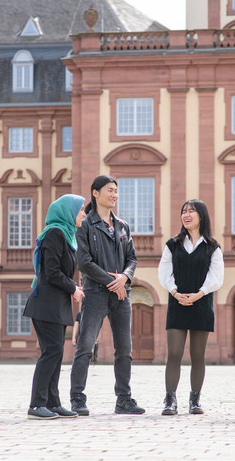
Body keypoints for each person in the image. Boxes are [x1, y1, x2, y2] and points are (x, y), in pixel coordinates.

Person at [70, 175, 144, 416]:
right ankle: (77, 399)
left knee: (124, 349)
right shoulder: (85, 225)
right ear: (95, 193)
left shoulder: (122, 225)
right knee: (85, 347)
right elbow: (84, 262)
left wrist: (125, 277)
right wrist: (114, 281)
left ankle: (124, 399)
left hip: (122, 294)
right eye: (109, 190)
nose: (114, 195)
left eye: (116, 191)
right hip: (95, 292)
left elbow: (132, 258)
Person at [23, 194, 86, 420]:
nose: (83, 214)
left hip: (56, 304)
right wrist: (73, 288)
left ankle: (52, 402)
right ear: (68, 212)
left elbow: (61, 272)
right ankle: (36, 405)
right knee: (51, 352)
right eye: (80, 210)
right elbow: (51, 272)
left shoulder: (68, 235)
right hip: (46, 304)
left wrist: (73, 288)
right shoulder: (54, 234)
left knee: (56, 354)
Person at [158, 199, 223, 415]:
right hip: (177, 303)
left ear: (201, 216)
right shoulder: (172, 244)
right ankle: (170, 400)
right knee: (174, 353)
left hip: (201, 304)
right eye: (184, 211)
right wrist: (175, 292)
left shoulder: (213, 247)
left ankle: (195, 400)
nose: (186, 215)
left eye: (191, 211)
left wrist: (198, 294)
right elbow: (164, 272)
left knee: (198, 355)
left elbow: (216, 277)